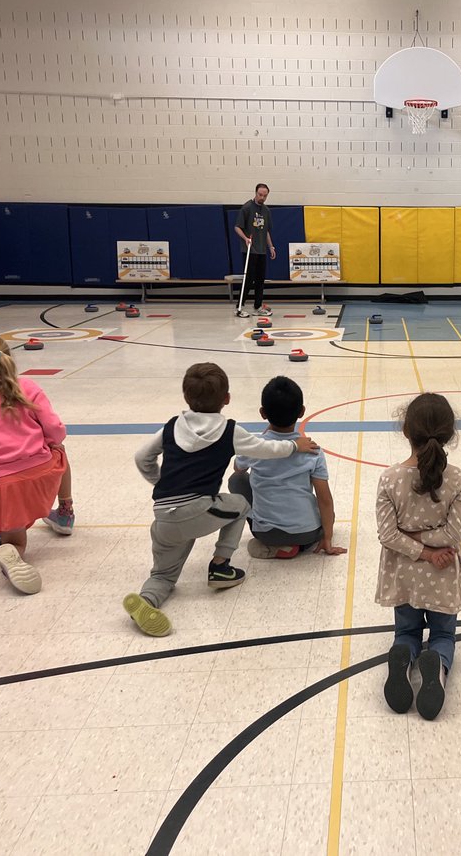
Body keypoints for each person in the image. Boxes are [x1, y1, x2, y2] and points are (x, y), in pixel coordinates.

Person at [125, 363, 318, 636]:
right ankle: (220, 567)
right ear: (226, 398)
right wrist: (294, 445)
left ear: (185, 397)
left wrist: (161, 483)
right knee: (240, 505)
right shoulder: (229, 430)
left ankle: (147, 600)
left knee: (163, 575)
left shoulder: (171, 426)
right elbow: (266, 448)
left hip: (164, 514)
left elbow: (141, 457)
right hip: (198, 509)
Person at [0, 333, 75, 595]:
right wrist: (47, 442)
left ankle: (13, 556)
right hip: (45, 474)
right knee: (61, 451)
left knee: (15, 541)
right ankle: (65, 513)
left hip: (6, 486)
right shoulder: (29, 387)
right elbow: (55, 430)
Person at [377, 392, 461, 721]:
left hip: (403, 574)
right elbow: (453, 534)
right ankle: (438, 667)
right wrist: (432, 552)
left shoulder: (389, 479)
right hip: (443, 574)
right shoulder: (456, 479)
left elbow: (387, 535)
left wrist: (415, 545)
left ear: (405, 430)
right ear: (449, 434)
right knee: (443, 634)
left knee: (406, 631)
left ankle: (403, 653)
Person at [228, 376, 347, 559]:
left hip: (266, 533)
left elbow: (238, 468)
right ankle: (300, 545)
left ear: (262, 413)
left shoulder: (255, 446)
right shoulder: (313, 451)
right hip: (307, 532)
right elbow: (325, 500)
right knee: (324, 509)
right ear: (302, 412)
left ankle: (273, 546)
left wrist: (262, 438)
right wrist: (328, 537)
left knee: (236, 480)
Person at [233, 182, 276, 317]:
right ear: (255, 193)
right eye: (260, 194)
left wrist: (271, 246)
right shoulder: (247, 208)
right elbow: (237, 227)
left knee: (260, 279)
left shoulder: (266, 211)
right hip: (250, 250)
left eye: (265, 195)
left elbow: (266, 231)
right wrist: (245, 238)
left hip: (262, 250)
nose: (262, 197)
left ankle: (258, 307)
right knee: (248, 279)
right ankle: (239, 307)